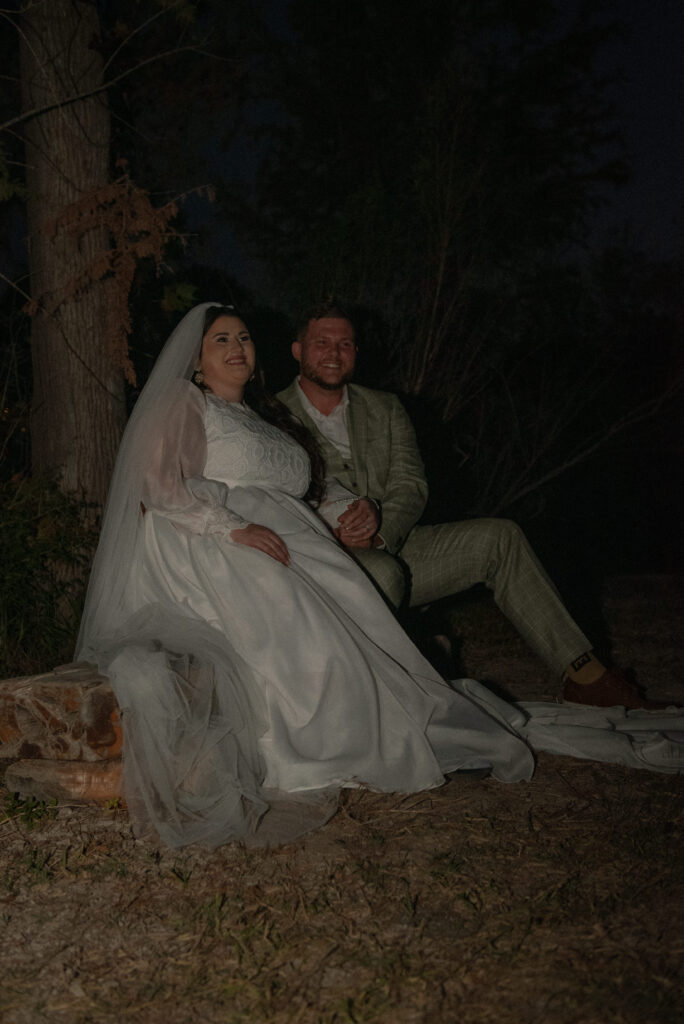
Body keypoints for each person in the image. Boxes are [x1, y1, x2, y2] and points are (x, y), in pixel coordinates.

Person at [77, 303, 682, 851]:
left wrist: (352, 509)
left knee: (386, 599)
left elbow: (319, 484)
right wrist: (231, 527)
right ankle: (345, 738)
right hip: (225, 541)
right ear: (198, 359)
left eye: (242, 337)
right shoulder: (188, 402)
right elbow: (161, 485)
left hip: (309, 538)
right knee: (317, 619)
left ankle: (486, 696)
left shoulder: (269, 418)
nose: (236, 347)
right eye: (220, 340)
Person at [277, 301, 668, 711]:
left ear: (356, 352)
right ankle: (378, 699)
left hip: (392, 540)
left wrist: (380, 526)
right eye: (322, 343)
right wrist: (330, 532)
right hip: (323, 557)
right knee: (384, 574)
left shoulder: (386, 407)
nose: (334, 353)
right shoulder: (273, 414)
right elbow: (272, 496)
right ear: (298, 351)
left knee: (500, 537)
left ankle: (586, 677)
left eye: (346, 344)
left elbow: (411, 485)